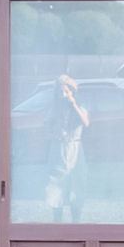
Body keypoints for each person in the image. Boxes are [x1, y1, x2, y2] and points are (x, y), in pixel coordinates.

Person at [45, 75, 90, 223]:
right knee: (56, 183)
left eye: (65, 91)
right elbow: (46, 125)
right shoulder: (55, 108)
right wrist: (55, 132)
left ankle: (76, 221)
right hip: (58, 148)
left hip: (75, 148)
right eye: (60, 92)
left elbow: (85, 122)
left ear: (72, 91)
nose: (63, 95)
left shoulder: (80, 105)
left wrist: (74, 104)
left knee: (76, 182)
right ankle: (57, 221)